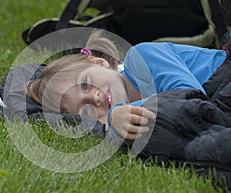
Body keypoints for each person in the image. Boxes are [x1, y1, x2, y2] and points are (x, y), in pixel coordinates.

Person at [25, 30, 229, 140]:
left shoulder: (141, 57)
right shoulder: (136, 122)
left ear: (98, 62)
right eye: (85, 109)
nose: (95, 98)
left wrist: (115, 115)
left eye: (85, 84)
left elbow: (190, 96)